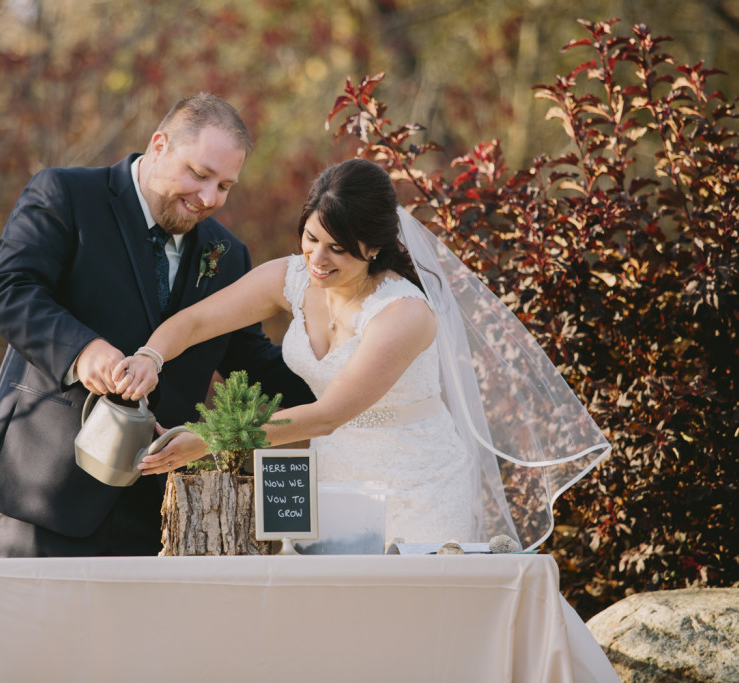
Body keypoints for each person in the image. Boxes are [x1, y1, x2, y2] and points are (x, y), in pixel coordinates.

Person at [116, 158, 612, 550]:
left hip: (417, 481)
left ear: (373, 248)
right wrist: (149, 357)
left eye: (339, 249)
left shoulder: (403, 314)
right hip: (332, 474)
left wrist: (211, 437)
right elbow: (197, 321)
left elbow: (330, 413)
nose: (317, 259)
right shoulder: (289, 276)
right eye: (311, 238)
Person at [0, 93, 314, 558]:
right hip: (39, 489)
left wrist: (338, 385)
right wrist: (83, 352)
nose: (208, 199)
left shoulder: (230, 255)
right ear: (159, 145)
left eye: (225, 186)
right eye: (199, 174)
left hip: (154, 510)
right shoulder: (66, 195)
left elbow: (250, 358)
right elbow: (9, 289)